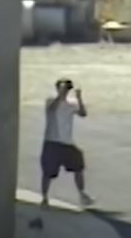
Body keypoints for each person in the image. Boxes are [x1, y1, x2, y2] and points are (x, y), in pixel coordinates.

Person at [40, 78, 95, 208]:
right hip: (52, 142)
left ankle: (82, 195)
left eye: (67, 89)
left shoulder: (71, 104)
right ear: (57, 88)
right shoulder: (50, 101)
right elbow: (52, 109)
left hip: (67, 143)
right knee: (48, 172)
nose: (65, 91)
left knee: (78, 166)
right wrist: (60, 95)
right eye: (63, 88)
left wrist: (79, 97)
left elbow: (83, 113)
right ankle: (44, 197)